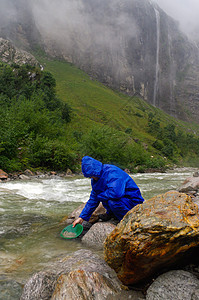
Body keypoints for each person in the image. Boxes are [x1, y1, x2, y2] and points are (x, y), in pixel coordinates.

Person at [73, 156, 144, 227]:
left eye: (91, 175)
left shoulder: (112, 172)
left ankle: (126, 220)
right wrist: (82, 217)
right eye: (89, 176)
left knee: (111, 200)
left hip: (132, 201)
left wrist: (99, 196)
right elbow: (93, 198)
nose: (91, 178)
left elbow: (116, 194)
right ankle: (112, 214)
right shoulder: (95, 179)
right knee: (105, 196)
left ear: (96, 170)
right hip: (122, 200)